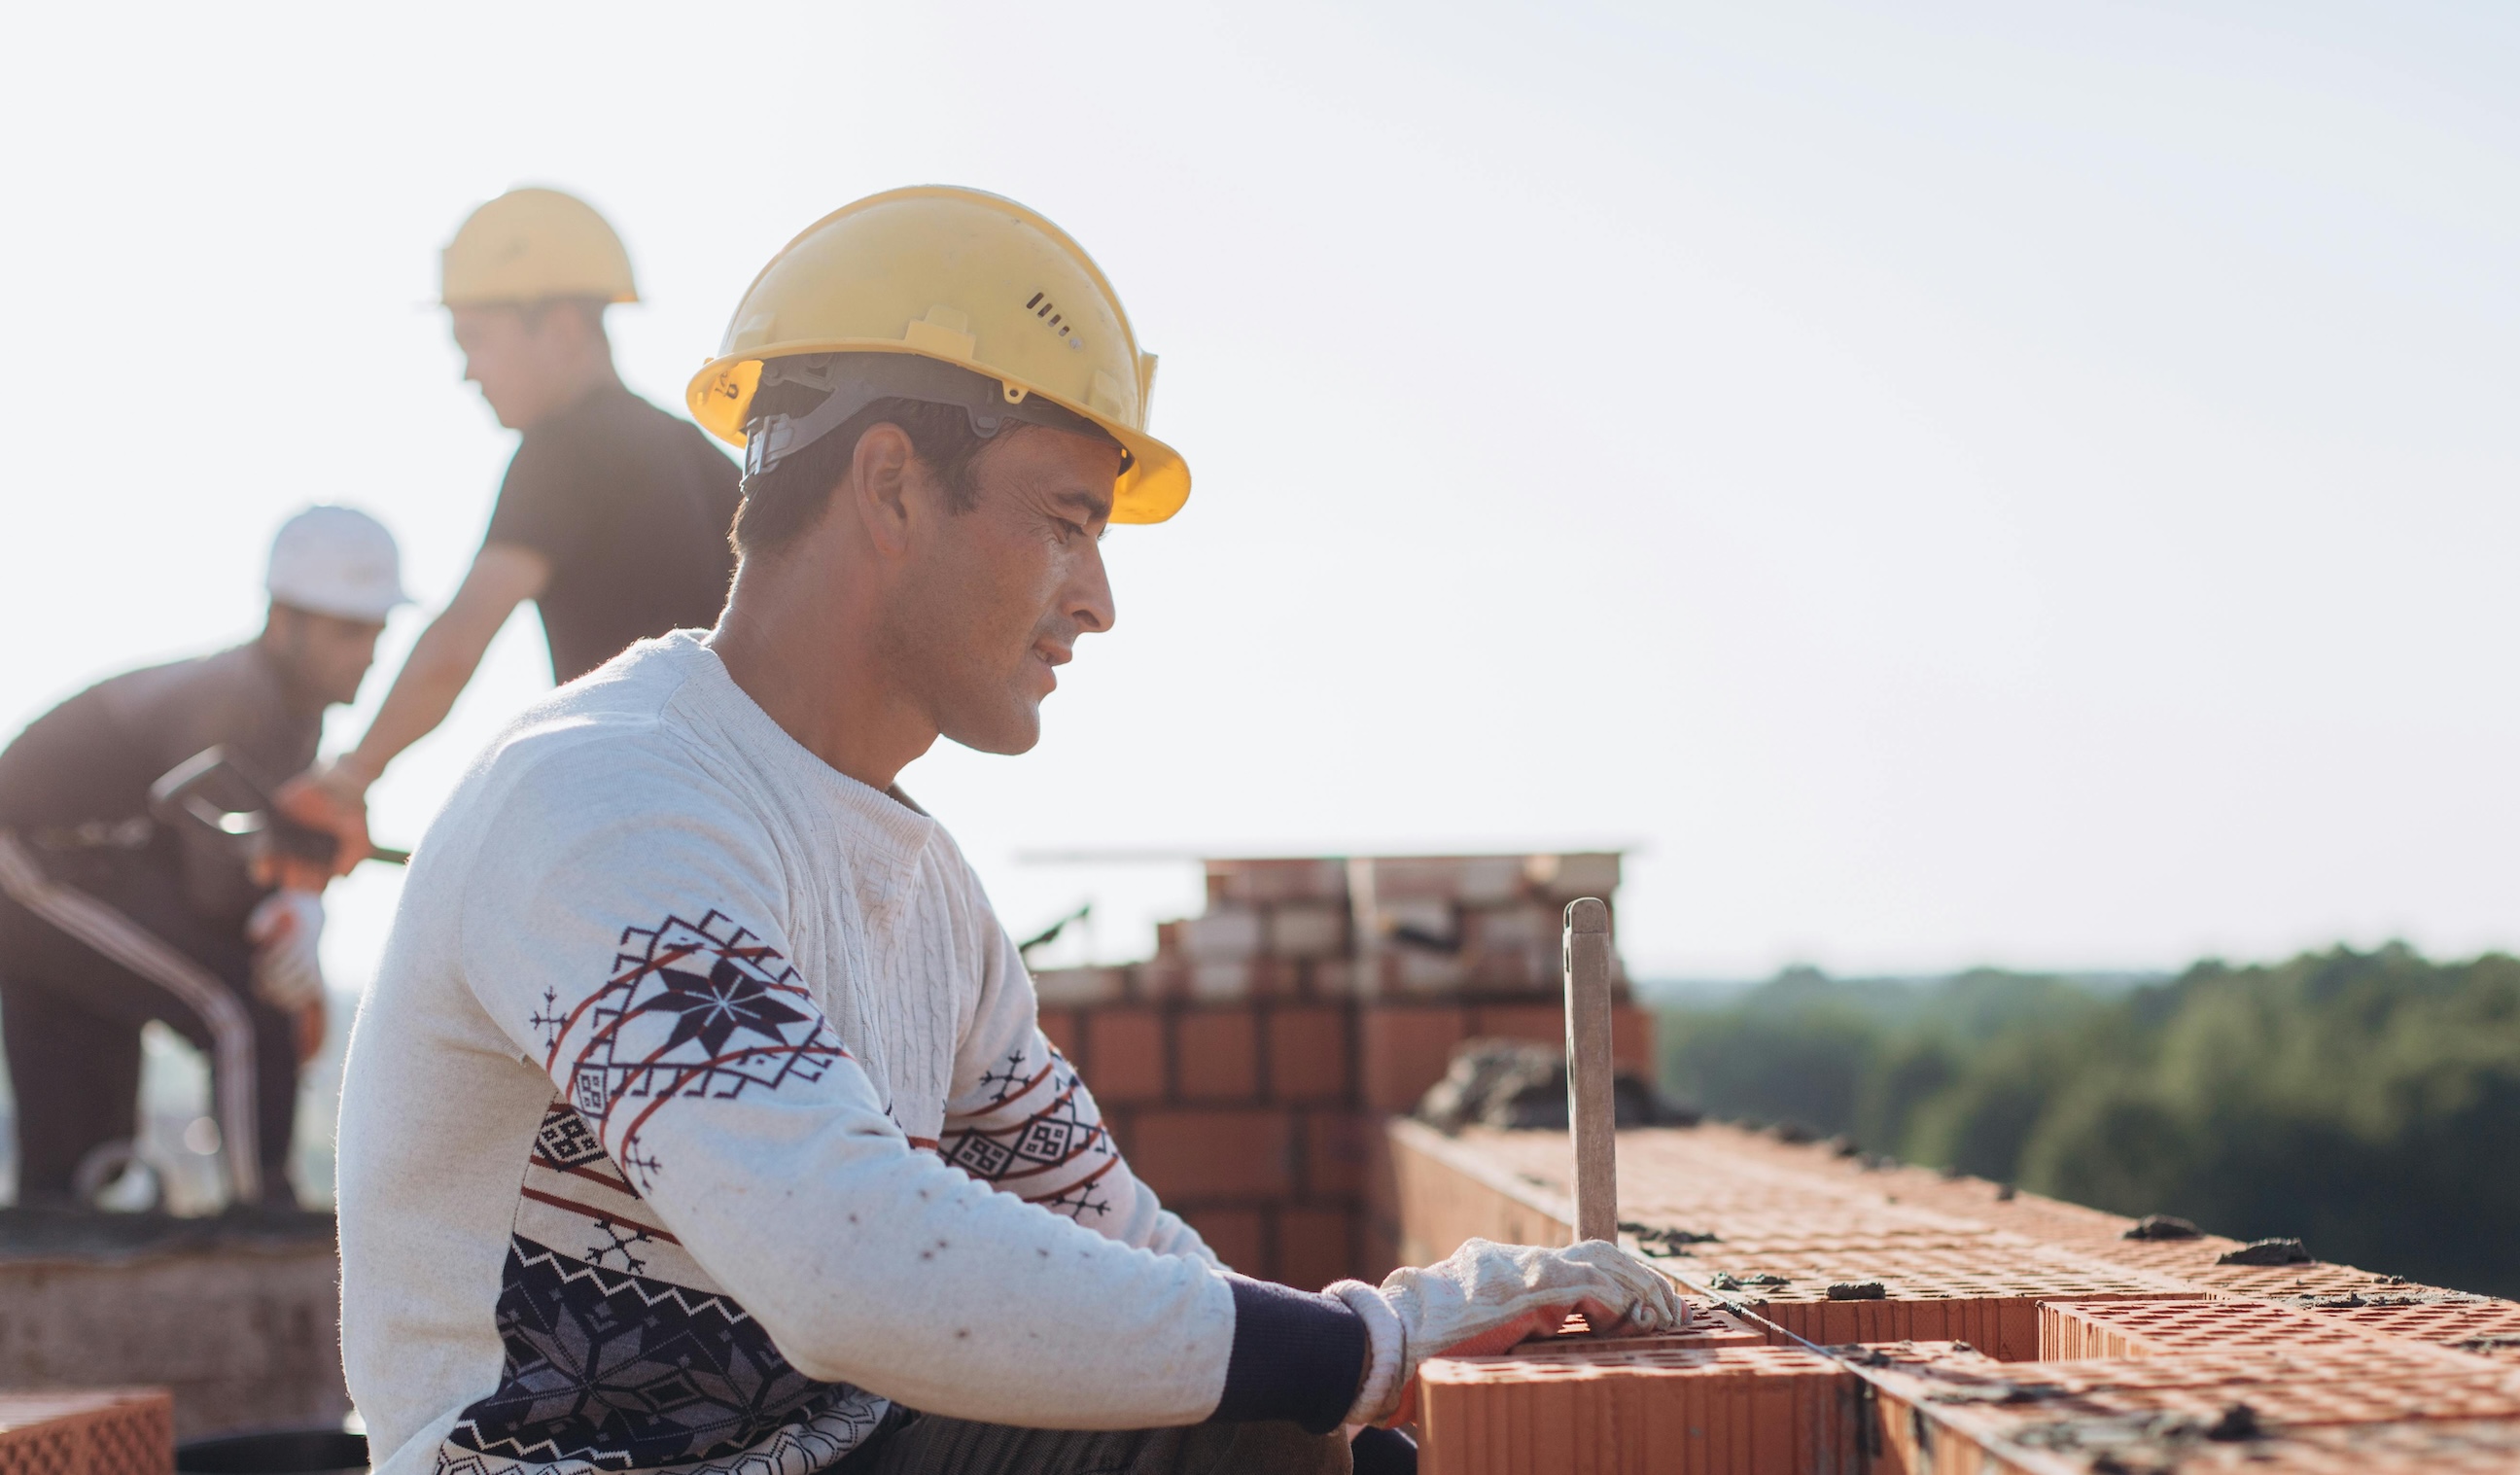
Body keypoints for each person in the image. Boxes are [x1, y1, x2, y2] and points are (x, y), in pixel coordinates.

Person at [335, 188, 1682, 1475]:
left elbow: (1131, 1266)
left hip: (847, 1450)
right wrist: (1362, 1344)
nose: (1097, 601)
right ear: (893, 485)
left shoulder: (929, 901)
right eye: (1065, 523)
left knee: (1270, 1434)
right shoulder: (608, 801)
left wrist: (1409, 1377)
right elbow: (848, 1264)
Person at [276, 188, 742, 871]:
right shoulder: (700, 457)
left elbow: (455, 647)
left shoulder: (563, 448)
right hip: (767, 817)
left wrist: (349, 777)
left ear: (559, 326)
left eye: (476, 340)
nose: (469, 372)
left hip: (664, 827)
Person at [0, 507, 406, 1208]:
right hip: (32, 866)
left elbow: (239, 866)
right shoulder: (234, 701)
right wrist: (296, 917)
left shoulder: (294, 714)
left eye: (375, 631)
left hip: (101, 871)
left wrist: (297, 905)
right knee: (240, 1011)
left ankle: (71, 1240)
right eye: (349, 631)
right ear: (285, 622)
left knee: (76, 1170)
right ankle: (266, 1225)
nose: (367, 652)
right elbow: (220, 885)